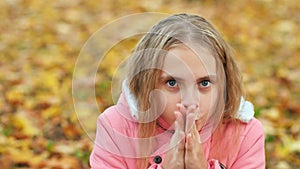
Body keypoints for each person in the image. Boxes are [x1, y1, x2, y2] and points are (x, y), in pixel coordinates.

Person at [89, 13, 265, 169]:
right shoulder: (115, 127)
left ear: (224, 84)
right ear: (147, 83)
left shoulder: (245, 134)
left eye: (204, 83)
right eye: (172, 83)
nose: (190, 102)